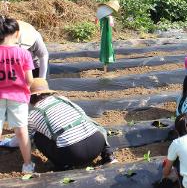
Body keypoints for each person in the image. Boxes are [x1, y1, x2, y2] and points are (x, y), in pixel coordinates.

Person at [27, 78, 116, 170]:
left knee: (38, 137)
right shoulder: (62, 99)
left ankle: (63, 165)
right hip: (97, 143)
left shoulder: (32, 114)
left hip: (74, 154)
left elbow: (26, 138)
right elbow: (83, 115)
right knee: (86, 122)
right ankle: (108, 155)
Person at [0, 16, 35, 173]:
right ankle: (27, 165)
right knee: (21, 131)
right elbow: (29, 79)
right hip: (18, 96)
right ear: (17, 33)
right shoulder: (24, 54)